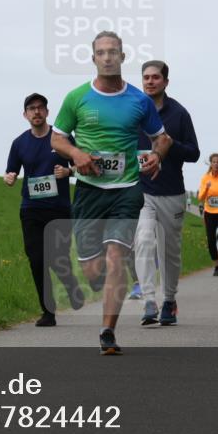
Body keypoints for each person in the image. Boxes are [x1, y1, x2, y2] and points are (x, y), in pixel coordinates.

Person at [51, 31, 171, 354]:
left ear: (122, 56)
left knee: (116, 257)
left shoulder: (139, 100)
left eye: (113, 52)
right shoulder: (77, 98)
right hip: (90, 191)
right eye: (101, 53)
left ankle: (108, 332)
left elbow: (162, 138)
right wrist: (76, 154)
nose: (107, 57)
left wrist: (156, 155)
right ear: (93, 59)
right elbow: (57, 138)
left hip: (127, 190)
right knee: (93, 270)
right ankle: (110, 282)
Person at [4, 93, 85, 327]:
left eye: (40, 108)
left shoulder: (62, 139)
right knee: (37, 259)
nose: (36, 112)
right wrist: (9, 177)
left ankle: (71, 285)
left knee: (58, 258)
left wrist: (68, 172)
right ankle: (48, 312)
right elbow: (11, 171)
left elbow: (84, 166)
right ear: (25, 114)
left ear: (47, 112)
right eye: (31, 108)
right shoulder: (19, 143)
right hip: (30, 208)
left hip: (59, 209)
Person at [134, 60, 200, 326]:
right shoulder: (134, 112)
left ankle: (169, 301)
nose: (150, 82)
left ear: (166, 82)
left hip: (171, 192)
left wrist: (170, 146)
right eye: (146, 78)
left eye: (155, 78)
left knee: (168, 252)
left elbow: (194, 153)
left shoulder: (179, 114)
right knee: (144, 241)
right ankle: (149, 300)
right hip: (142, 192)